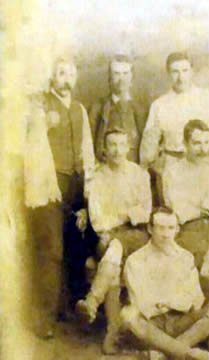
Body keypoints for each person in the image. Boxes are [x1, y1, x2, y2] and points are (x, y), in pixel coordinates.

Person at [28, 57, 95, 338]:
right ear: (52, 77)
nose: (65, 78)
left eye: (70, 73)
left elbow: (87, 149)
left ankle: (64, 306)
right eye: (60, 73)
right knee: (52, 251)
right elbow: (33, 148)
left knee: (72, 248)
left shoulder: (79, 109)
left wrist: (88, 189)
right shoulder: (40, 108)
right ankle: (44, 316)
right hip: (49, 184)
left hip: (76, 184)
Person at [75, 129, 152, 353]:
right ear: (105, 149)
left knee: (115, 250)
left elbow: (146, 212)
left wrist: (121, 216)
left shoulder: (140, 174)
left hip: (137, 235)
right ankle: (112, 329)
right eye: (112, 145)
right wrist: (128, 213)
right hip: (107, 237)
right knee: (114, 249)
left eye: (121, 145)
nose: (117, 150)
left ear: (129, 147)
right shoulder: (97, 178)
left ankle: (94, 304)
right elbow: (98, 222)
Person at [120, 207, 209, 360]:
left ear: (177, 229)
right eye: (160, 228)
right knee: (128, 316)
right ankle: (187, 354)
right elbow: (142, 304)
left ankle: (165, 353)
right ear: (150, 229)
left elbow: (196, 299)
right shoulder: (136, 260)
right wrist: (176, 301)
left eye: (171, 228)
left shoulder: (185, 257)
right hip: (152, 326)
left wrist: (169, 302)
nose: (165, 234)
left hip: (181, 321)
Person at [139, 52, 209, 173]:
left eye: (185, 70)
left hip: (204, 165)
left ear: (192, 71)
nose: (181, 77)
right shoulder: (159, 105)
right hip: (173, 167)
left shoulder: (207, 97)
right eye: (175, 72)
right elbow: (148, 148)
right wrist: (158, 169)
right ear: (168, 74)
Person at [88, 54, 147, 162]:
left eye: (125, 73)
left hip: (132, 170)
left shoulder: (140, 109)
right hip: (104, 170)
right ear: (109, 78)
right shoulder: (97, 108)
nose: (121, 79)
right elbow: (88, 143)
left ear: (132, 77)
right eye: (116, 74)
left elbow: (146, 144)